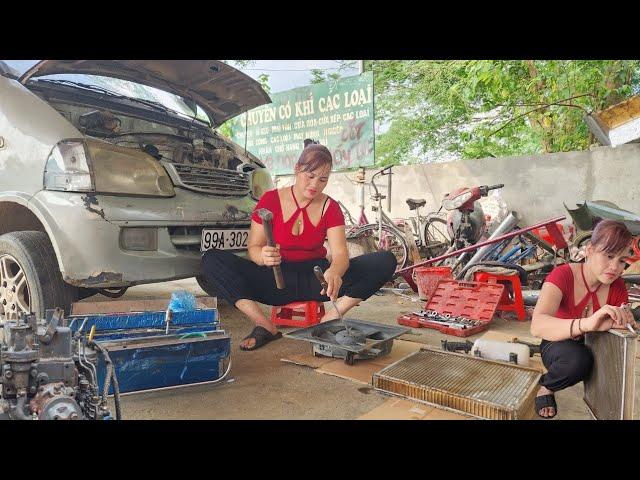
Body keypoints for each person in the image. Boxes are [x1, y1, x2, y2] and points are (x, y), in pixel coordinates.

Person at [201, 139, 397, 351]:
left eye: (323, 179)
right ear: (297, 169)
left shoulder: (330, 207)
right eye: (310, 176)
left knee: (385, 260)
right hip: (274, 279)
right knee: (211, 259)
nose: (315, 185)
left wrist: (335, 272)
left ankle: (330, 319)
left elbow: (341, 255)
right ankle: (264, 325)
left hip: (317, 280)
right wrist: (263, 256)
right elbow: (254, 248)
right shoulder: (270, 200)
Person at [530, 219, 637, 418]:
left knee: (614, 368)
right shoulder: (561, 275)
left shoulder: (618, 286)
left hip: (594, 344)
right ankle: (547, 387)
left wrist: (624, 322)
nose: (615, 267)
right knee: (578, 361)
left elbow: (617, 331)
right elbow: (537, 326)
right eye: (609, 256)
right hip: (558, 344)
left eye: (622, 260)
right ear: (589, 250)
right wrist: (587, 323)